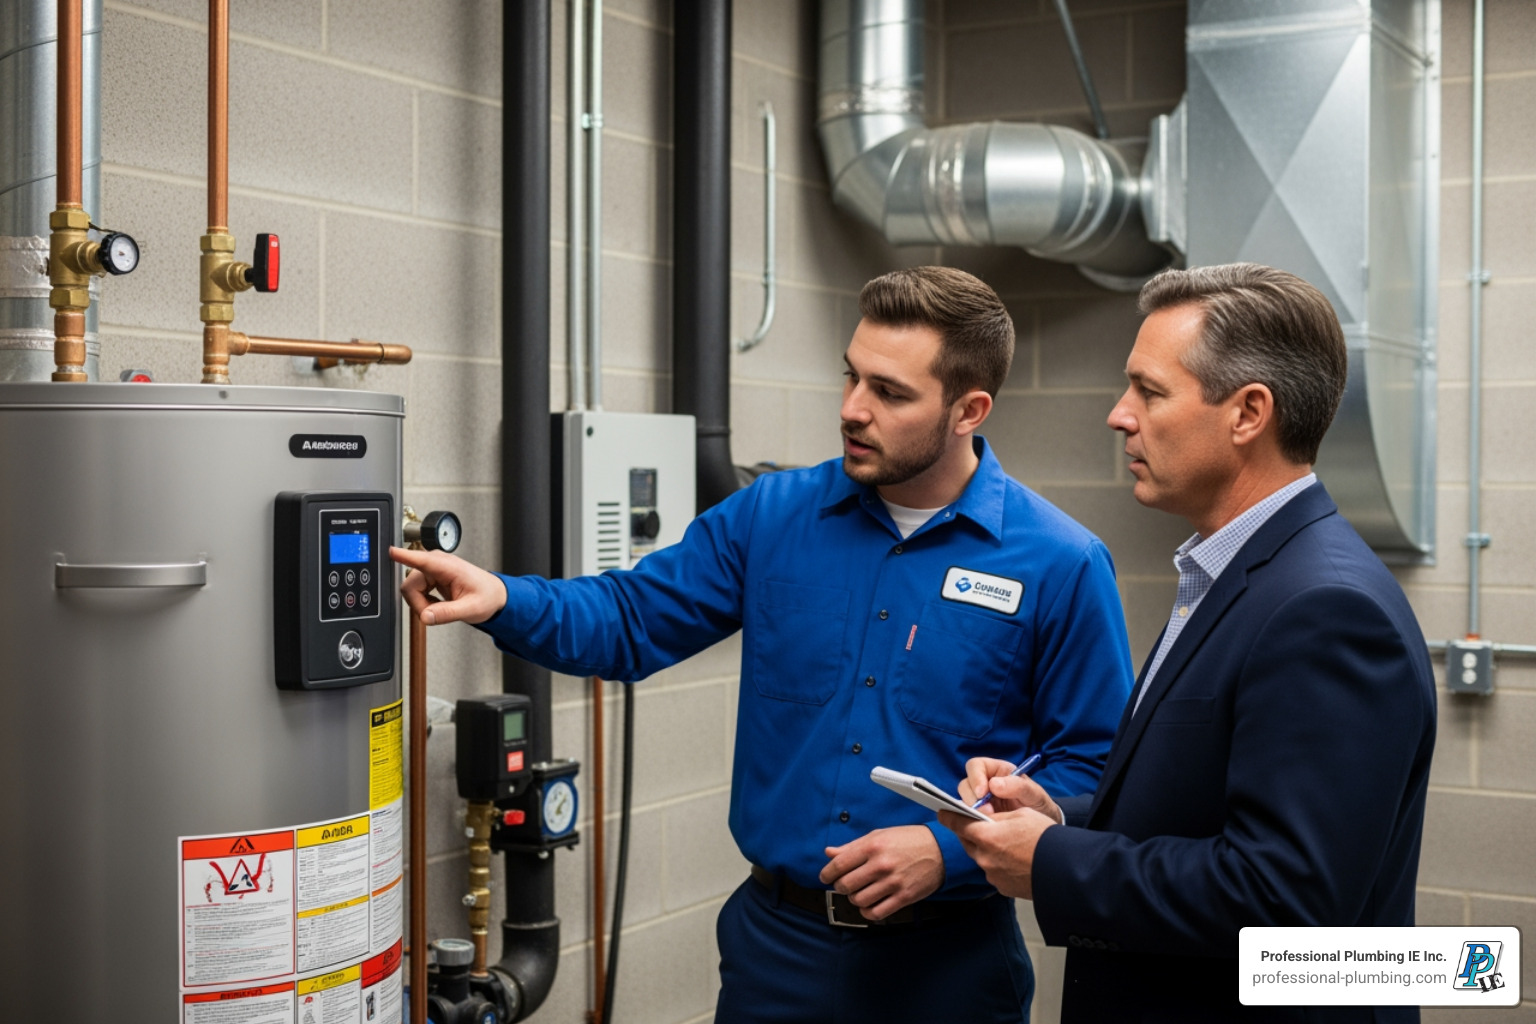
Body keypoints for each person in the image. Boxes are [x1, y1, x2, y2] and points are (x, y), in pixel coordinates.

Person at [391, 266, 1134, 1024]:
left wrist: (949, 853)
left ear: (969, 409)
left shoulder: (1059, 563)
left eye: (890, 392)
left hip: (948, 972)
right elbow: (628, 619)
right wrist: (504, 598)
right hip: (777, 957)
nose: (852, 410)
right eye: (851, 377)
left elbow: (1096, 774)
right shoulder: (773, 516)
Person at [940, 263, 1438, 1023]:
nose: (1118, 415)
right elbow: (1199, 811)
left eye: (1149, 390)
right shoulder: (1236, 570)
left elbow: (1284, 900)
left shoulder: (1324, 608)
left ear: (1248, 414)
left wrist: (1050, 861)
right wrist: (1060, 815)